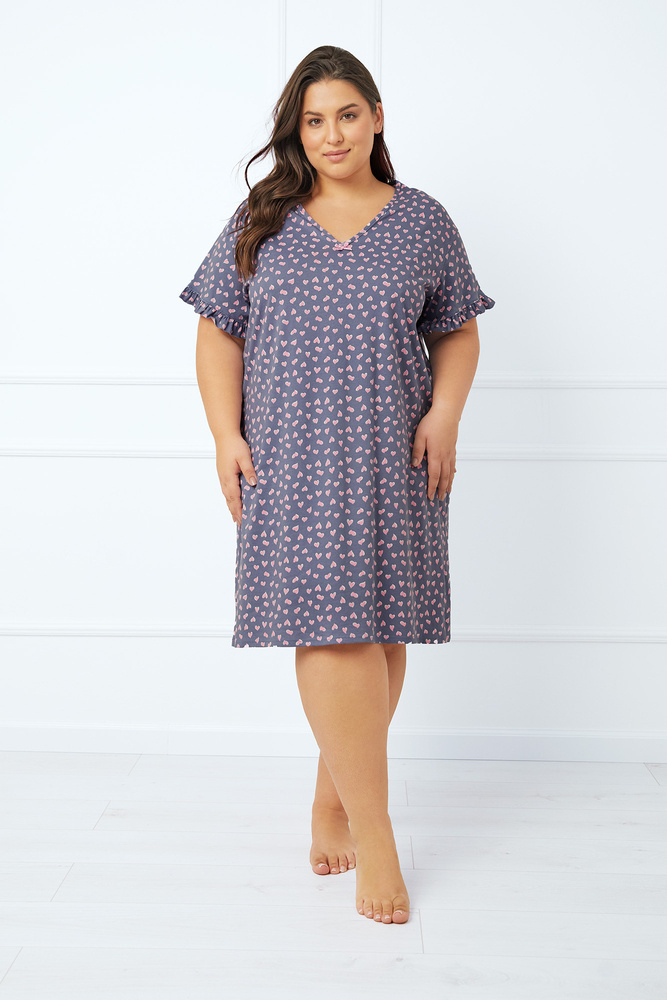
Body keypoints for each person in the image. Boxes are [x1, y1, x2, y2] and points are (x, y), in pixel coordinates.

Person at [178, 45, 495, 925]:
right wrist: (224, 435)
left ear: (376, 117)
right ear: (296, 130)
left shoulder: (422, 220)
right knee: (331, 629)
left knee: (381, 630)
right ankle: (376, 834)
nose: (331, 135)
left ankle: (332, 800)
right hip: (290, 456)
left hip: (395, 452)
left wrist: (445, 414)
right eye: (313, 120)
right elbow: (218, 330)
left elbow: (456, 329)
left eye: (346, 115)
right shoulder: (262, 218)